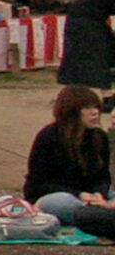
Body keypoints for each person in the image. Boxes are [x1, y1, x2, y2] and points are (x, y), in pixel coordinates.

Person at [27, 86, 115, 237]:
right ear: (72, 111)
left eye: (96, 107)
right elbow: (38, 183)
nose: (95, 112)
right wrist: (79, 194)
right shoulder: (48, 137)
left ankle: (102, 215)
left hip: (93, 198)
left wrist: (99, 194)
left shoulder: (99, 137)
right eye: (87, 108)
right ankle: (102, 216)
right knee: (64, 202)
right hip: (58, 197)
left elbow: (103, 176)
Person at [53, 0, 115, 92]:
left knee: (78, 60)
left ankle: (73, 93)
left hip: (80, 22)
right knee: (97, 59)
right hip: (89, 25)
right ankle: (105, 95)